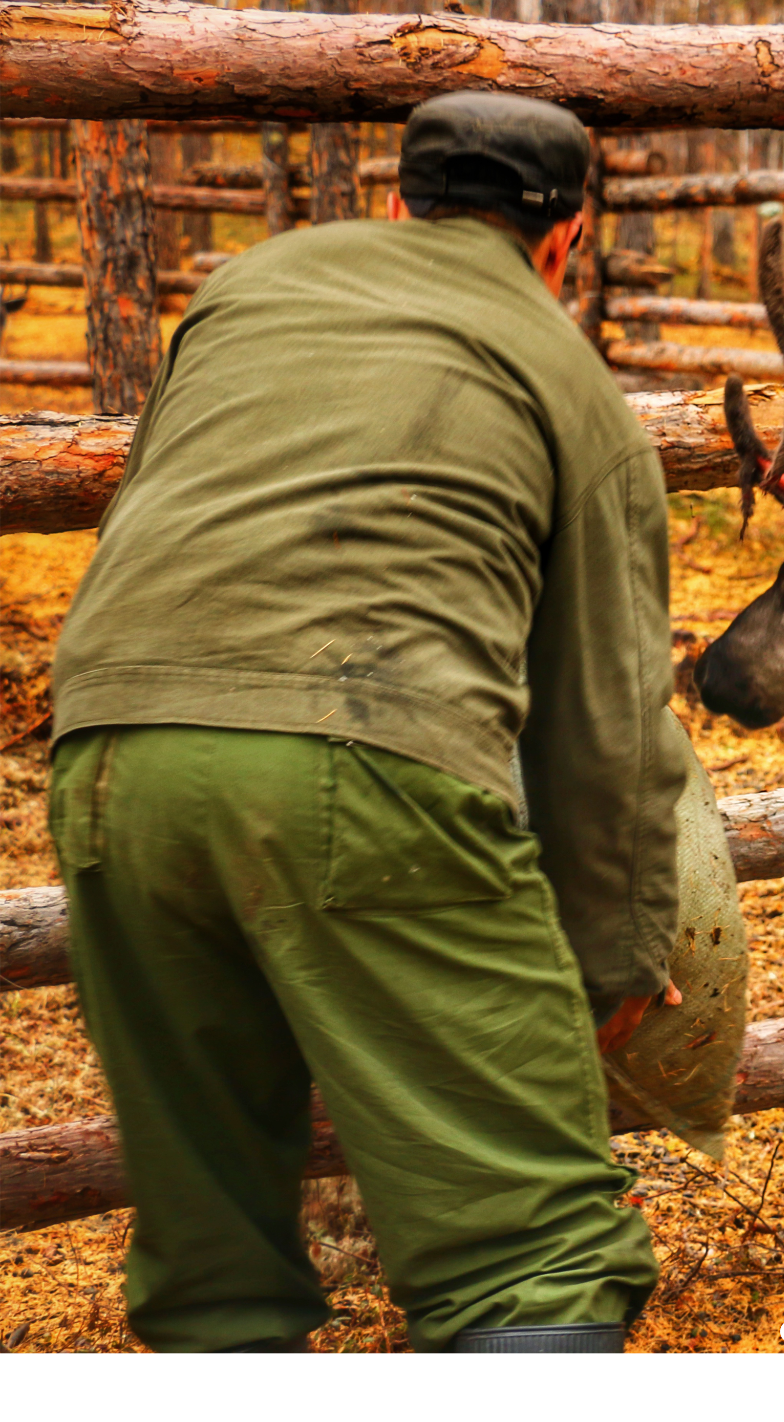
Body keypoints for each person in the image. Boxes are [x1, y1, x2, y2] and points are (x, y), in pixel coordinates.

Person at [47, 92, 711, 1354]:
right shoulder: (572, 383)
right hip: (360, 762)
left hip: (107, 761)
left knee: (215, 1274)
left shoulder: (244, 289)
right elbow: (607, 726)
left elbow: (158, 512)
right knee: (533, 1255)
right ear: (566, 238)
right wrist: (614, 958)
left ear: (398, 201)